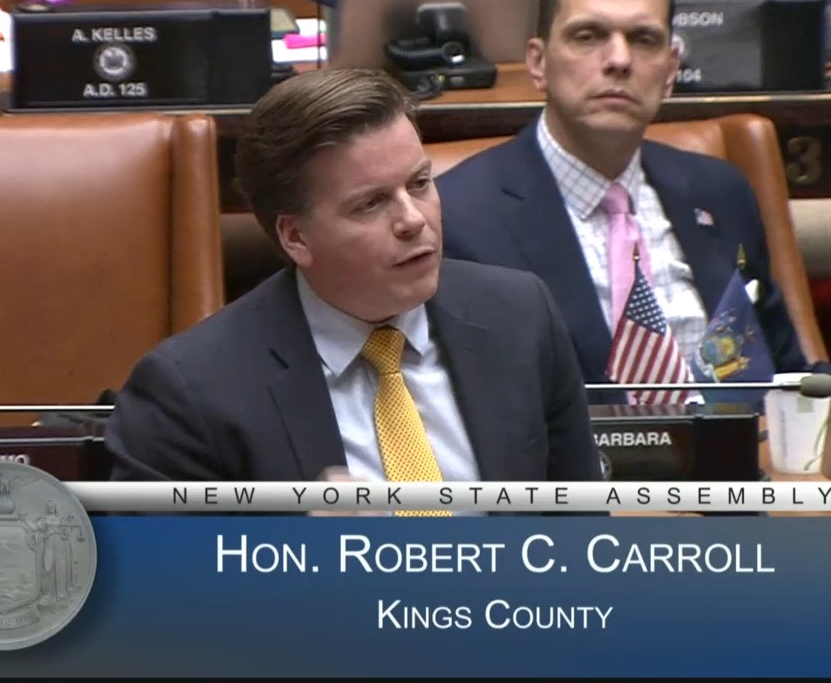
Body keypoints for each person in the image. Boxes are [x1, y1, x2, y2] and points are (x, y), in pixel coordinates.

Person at [103, 68, 602, 496]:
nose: (413, 220)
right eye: (370, 204)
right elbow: (164, 577)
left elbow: (582, 535)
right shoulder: (191, 396)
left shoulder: (521, 317)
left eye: (420, 184)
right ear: (296, 236)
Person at [435, 0, 823, 405]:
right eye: (588, 36)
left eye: (643, 39)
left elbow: (788, 377)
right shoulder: (461, 216)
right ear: (538, 63)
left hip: (742, 445)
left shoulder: (720, 191)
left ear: (670, 70)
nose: (619, 60)